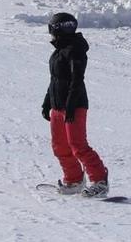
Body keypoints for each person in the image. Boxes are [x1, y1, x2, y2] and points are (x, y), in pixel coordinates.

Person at [40, 13, 109, 197]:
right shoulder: (58, 52)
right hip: (58, 105)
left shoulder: (75, 50)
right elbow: (55, 80)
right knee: (60, 146)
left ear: (56, 29)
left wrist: (70, 105)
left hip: (74, 105)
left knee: (77, 145)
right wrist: (48, 102)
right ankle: (74, 179)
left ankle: (100, 180)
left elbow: (77, 79)